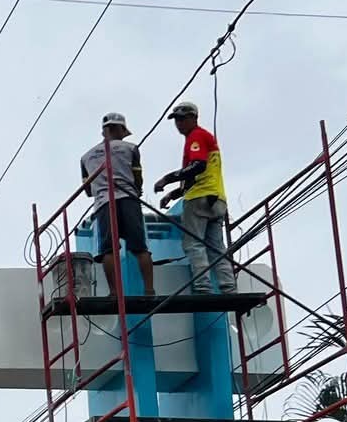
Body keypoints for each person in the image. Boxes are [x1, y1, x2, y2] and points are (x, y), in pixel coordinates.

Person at [154, 100, 234, 295]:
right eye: (176, 120)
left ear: (193, 118)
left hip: (199, 199)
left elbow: (198, 166)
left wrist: (167, 179)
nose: (178, 124)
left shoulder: (196, 136)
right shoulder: (205, 138)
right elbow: (195, 175)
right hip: (216, 199)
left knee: (193, 244)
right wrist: (173, 194)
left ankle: (203, 286)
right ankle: (228, 287)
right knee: (216, 247)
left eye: (182, 119)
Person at [80, 111, 154, 298]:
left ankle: (114, 293)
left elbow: (87, 190)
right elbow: (137, 178)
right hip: (128, 200)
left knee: (108, 250)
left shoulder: (86, 157)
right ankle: (149, 291)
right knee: (140, 247)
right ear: (119, 128)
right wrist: (136, 188)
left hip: (103, 203)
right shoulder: (131, 148)